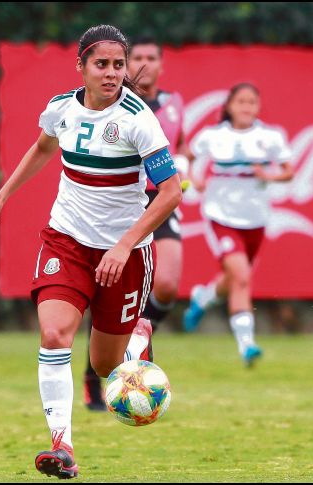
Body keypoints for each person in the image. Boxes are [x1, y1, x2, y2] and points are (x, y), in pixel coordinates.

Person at [0, 24, 181, 479]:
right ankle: (61, 445)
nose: (110, 73)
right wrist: (1, 197)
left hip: (124, 254)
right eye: (101, 64)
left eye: (118, 65)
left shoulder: (138, 118)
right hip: (65, 240)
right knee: (54, 335)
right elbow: (43, 147)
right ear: (82, 66)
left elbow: (170, 192)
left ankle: (140, 332)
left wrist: (125, 246)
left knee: (105, 365)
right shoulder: (61, 108)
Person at [82, 36, 187, 411]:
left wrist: (185, 167)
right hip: (123, 208)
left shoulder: (174, 105)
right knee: (106, 298)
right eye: (137, 57)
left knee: (169, 283)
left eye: (150, 57)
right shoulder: (117, 106)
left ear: (160, 64)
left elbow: (181, 149)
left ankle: (142, 330)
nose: (144, 63)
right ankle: (97, 380)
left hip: (160, 203)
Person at [181, 82, 294, 367]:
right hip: (220, 216)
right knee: (242, 276)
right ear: (229, 106)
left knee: (234, 277)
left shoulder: (270, 137)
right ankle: (247, 345)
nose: (246, 107)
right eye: (241, 101)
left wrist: (268, 175)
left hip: (255, 218)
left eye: (252, 102)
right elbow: (185, 158)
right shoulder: (213, 136)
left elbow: (288, 172)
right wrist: (192, 179)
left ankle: (204, 297)